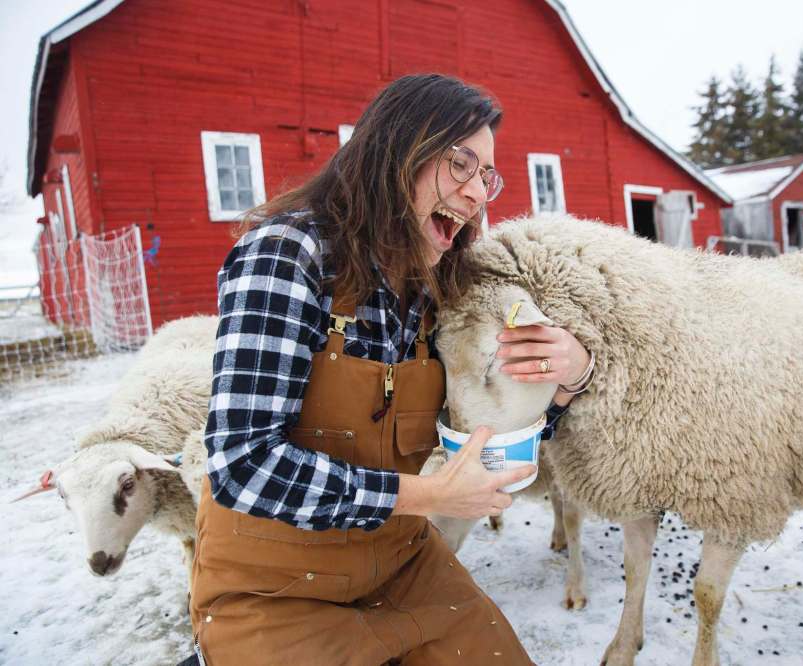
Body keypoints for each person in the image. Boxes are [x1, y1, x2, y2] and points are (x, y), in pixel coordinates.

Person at [188, 74, 593, 665]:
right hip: (273, 589)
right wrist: (428, 493)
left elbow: (483, 437)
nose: (479, 193)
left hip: (400, 566)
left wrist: (569, 377)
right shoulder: (287, 254)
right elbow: (242, 465)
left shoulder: (436, 286)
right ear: (396, 149)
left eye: (487, 176)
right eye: (460, 164)